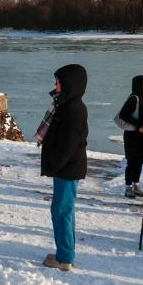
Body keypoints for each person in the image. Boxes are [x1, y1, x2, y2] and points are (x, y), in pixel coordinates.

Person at [39, 64, 88, 272]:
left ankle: (65, 258)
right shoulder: (66, 104)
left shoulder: (74, 109)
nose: (55, 85)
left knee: (61, 211)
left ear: (70, 84)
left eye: (58, 82)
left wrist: (54, 164)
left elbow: (69, 143)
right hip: (66, 168)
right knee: (63, 210)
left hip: (67, 168)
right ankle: (65, 253)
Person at [117, 75, 143, 198]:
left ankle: (136, 186)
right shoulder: (134, 98)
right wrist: (138, 125)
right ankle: (128, 187)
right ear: (140, 85)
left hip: (142, 137)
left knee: (139, 161)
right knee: (132, 162)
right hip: (134, 137)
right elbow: (123, 114)